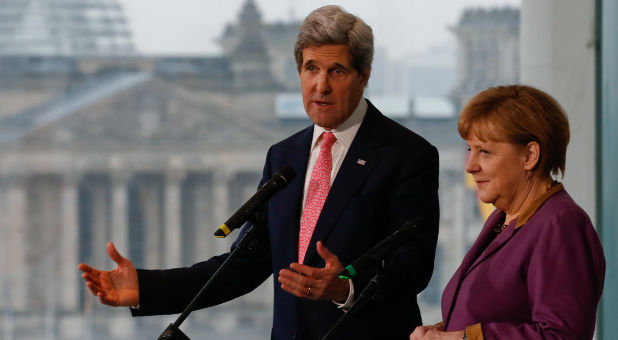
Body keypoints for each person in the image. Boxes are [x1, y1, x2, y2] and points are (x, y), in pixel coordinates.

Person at [79, 5, 440, 340]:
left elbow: (414, 265)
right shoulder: (285, 156)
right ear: (299, 71)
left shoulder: (406, 154)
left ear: (363, 77)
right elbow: (244, 264)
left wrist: (345, 287)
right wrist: (144, 288)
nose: (321, 85)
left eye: (337, 71)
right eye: (311, 68)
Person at [410, 85, 605, 340]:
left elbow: (562, 335)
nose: (470, 166)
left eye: (485, 152)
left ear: (529, 155)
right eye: (470, 149)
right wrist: (441, 331)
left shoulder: (561, 224)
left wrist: (462, 338)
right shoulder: (503, 218)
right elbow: (497, 312)